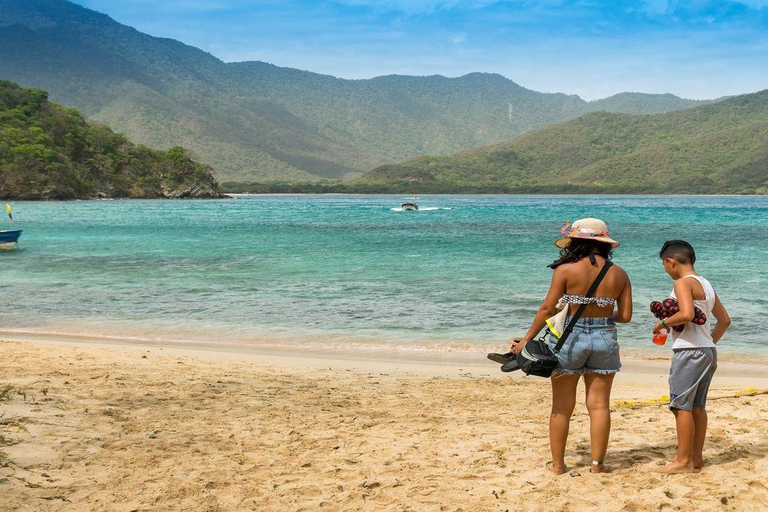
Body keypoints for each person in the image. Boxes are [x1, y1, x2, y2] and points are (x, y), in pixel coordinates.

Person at [510, 218, 632, 475]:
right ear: (604, 244)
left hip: (569, 339)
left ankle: (558, 466)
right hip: (605, 339)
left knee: (562, 408)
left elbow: (546, 309)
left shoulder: (565, 270)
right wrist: (601, 313)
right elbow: (626, 316)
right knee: (599, 406)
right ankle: (597, 466)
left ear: (575, 242)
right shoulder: (620, 273)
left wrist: (525, 340)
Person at [652, 240, 731, 474]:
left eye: (665, 265)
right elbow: (724, 321)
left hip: (688, 351)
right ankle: (696, 458)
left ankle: (682, 461)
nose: (666, 270)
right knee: (697, 406)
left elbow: (686, 314)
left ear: (671, 262)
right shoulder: (706, 285)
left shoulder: (682, 283)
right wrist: (707, 342)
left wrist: (662, 323)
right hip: (707, 351)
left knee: (680, 406)